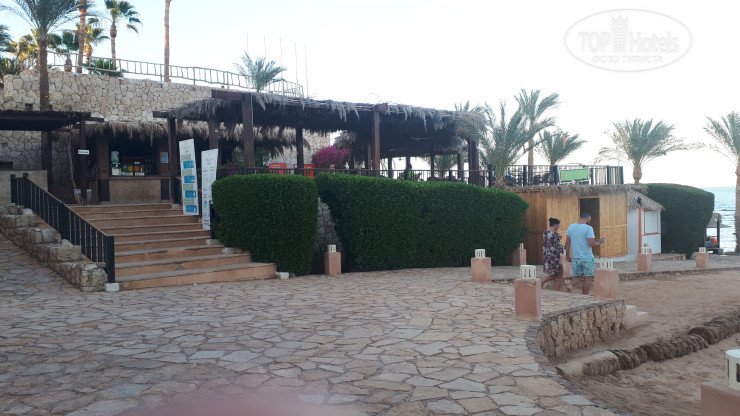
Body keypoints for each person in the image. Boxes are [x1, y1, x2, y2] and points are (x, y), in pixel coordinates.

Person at [564, 212, 606, 295]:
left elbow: (567, 242)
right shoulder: (588, 228)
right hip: (587, 257)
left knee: (578, 276)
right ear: (588, 218)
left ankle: (571, 285)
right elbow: (591, 243)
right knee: (588, 277)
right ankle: (585, 295)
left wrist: (567, 255)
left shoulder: (571, 227)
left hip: (576, 257)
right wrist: (600, 242)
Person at [542, 217, 564, 291]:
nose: (558, 227)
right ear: (555, 225)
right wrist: (564, 247)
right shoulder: (555, 234)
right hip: (554, 257)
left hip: (546, 257)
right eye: (558, 225)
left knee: (555, 274)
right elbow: (558, 248)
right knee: (560, 275)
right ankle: (557, 291)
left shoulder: (545, 233)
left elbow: (549, 242)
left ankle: (542, 282)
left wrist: (557, 237)